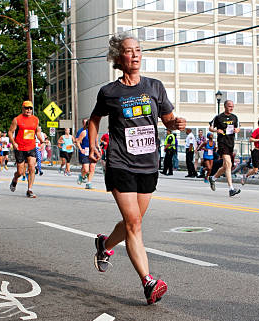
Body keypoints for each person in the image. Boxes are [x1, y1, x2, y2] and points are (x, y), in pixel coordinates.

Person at [88, 32, 186, 305]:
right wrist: (94, 144)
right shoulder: (110, 91)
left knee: (134, 223)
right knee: (134, 224)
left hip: (148, 164)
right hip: (120, 163)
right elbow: (94, 119)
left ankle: (104, 246)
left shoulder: (155, 87)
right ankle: (148, 282)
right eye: (130, 51)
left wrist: (177, 124)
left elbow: (168, 121)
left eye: (139, 50)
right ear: (119, 58)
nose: (135, 54)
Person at [8, 101, 47, 198]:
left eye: (30, 108)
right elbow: (10, 132)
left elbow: (37, 132)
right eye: (26, 108)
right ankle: (15, 178)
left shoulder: (35, 119)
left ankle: (29, 189)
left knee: (32, 167)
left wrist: (42, 140)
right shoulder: (17, 119)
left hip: (31, 146)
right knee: (20, 172)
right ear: (23, 108)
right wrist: (14, 143)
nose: (28, 110)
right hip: (20, 147)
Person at [208, 100, 241, 196]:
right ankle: (231, 188)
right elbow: (210, 128)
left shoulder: (235, 117)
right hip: (222, 142)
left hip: (231, 142)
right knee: (228, 163)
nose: (231, 108)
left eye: (232, 106)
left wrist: (237, 130)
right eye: (229, 106)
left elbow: (238, 128)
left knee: (226, 166)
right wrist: (216, 130)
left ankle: (213, 178)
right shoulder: (219, 117)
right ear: (225, 106)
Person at [76, 119, 97, 189]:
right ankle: (81, 176)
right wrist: (81, 149)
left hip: (93, 152)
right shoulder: (84, 132)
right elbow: (78, 141)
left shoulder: (95, 133)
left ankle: (89, 183)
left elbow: (96, 143)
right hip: (85, 152)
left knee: (92, 168)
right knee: (86, 169)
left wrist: (99, 149)